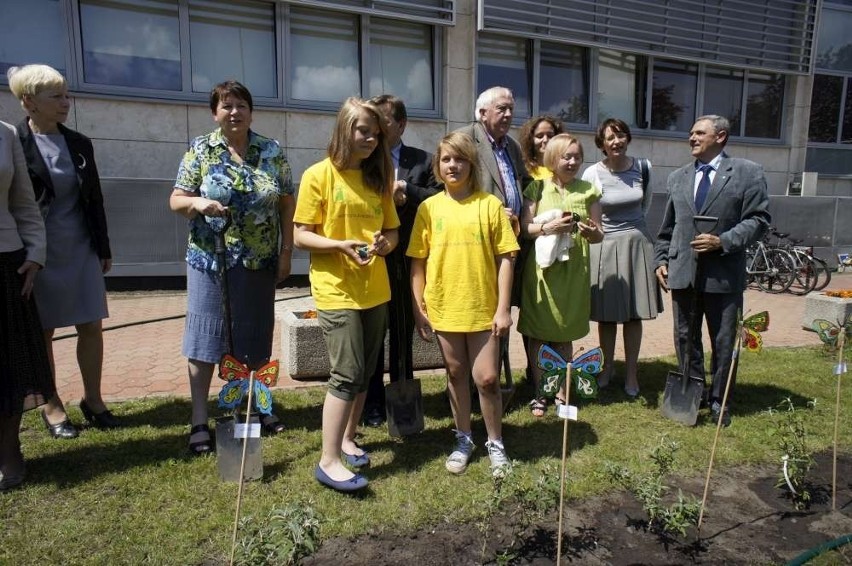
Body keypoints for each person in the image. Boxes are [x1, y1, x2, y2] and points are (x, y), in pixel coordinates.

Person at [169, 80, 295, 455]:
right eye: (226, 106)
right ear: (215, 113)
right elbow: (176, 198)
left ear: (251, 111)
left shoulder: (271, 150)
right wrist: (199, 204)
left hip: (259, 260)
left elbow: (287, 203)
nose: (234, 112)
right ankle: (199, 419)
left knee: (254, 337)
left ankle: (256, 406)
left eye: (241, 105)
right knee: (205, 340)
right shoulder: (201, 150)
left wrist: (286, 250)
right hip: (211, 261)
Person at [293, 97, 399, 492]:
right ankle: (329, 459)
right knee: (347, 372)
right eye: (363, 131)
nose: (371, 140)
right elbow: (300, 233)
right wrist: (338, 245)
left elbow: (392, 232)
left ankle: (348, 438)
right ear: (345, 130)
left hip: (376, 289)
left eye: (376, 133)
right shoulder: (318, 176)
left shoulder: (377, 179)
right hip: (336, 289)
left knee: (366, 371)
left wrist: (384, 245)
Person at [8, 64, 116, 438]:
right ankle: (52, 405)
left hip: (80, 246)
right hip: (37, 251)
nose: (65, 103)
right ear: (29, 102)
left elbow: (95, 199)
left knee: (91, 324)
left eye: (67, 95)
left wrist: (103, 247)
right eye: (56, 96)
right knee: (44, 330)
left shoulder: (80, 143)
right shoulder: (14, 142)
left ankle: (94, 400)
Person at [408, 131, 518, 477]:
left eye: (459, 159)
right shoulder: (428, 208)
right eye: (446, 160)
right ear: (438, 167)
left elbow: (507, 258)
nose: (452, 165)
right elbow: (418, 261)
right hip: (444, 307)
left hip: (483, 308)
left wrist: (503, 308)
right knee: (455, 374)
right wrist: (418, 307)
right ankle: (464, 437)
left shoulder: (489, 206)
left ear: (471, 164)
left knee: (486, 378)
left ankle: (495, 441)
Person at [654, 115, 770, 427]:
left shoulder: (747, 173)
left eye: (699, 133)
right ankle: (693, 391)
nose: (691, 137)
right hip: (683, 272)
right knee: (684, 337)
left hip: (723, 274)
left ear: (720, 136)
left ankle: (720, 399)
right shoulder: (678, 177)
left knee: (722, 339)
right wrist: (661, 260)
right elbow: (668, 228)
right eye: (690, 133)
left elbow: (759, 220)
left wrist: (724, 241)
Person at [361, 94, 440, 428]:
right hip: (371, 259)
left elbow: (440, 197)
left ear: (402, 124)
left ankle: (404, 405)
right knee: (374, 336)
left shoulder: (422, 160)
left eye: (384, 121)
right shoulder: (362, 160)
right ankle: (373, 404)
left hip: (409, 258)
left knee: (404, 333)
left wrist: (409, 191)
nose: (377, 128)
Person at [518, 134, 603, 417]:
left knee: (564, 333)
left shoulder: (589, 190)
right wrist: (549, 228)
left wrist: (592, 233)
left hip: (574, 273)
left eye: (577, 156)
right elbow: (524, 228)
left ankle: (563, 393)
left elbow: (599, 233)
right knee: (539, 334)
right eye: (567, 156)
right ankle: (541, 392)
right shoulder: (536, 188)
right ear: (553, 158)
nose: (573, 161)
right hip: (542, 272)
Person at [582, 119, 663, 399]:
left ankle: (631, 373)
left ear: (627, 138)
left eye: (620, 136)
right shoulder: (592, 172)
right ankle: (606, 370)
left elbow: (646, 203)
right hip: (605, 245)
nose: (615, 142)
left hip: (637, 244)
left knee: (633, 315)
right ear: (601, 144)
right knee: (606, 316)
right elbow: (590, 210)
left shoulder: (644, 167)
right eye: (609, 138)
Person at [0, 119, 55, 490]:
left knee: (9, 360)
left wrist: (35, 253)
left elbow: (23, 201)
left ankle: (8, 449)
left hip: (6, 259)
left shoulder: (5, 133)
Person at [518, 115, 564, 181]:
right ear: (530, 140)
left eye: (550, 136)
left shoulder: (563, 168)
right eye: (539, 136)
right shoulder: (523, 168)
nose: (545, 140)